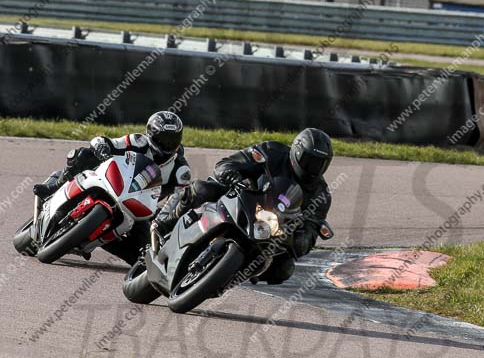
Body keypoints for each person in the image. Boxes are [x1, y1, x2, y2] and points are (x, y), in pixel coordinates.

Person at [153, 127, 333, 284]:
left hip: (272, 227)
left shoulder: (321, 195)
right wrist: (231, 174)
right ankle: (165, 223)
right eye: (310, 160)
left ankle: (229, 277)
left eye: (320, 164)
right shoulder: (272, 151)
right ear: (297, 151)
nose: (314, 167)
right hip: (242, 196)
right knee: (200, 190)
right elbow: (227, 163)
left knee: (284, 268)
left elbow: (311, 230)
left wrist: (300, 241)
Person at [33, 111, 191, 264]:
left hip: (140, 205)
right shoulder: (138, 141)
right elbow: (105, 142)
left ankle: (101, 239)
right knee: (83, 155)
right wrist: (102, 146)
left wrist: (160, 218)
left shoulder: (181, 170)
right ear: (151, 134)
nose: (167, 144)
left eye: (172, 139)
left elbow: (176, 201)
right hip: (115, 180)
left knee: (142, 253)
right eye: (163, 138)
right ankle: (55, 186)